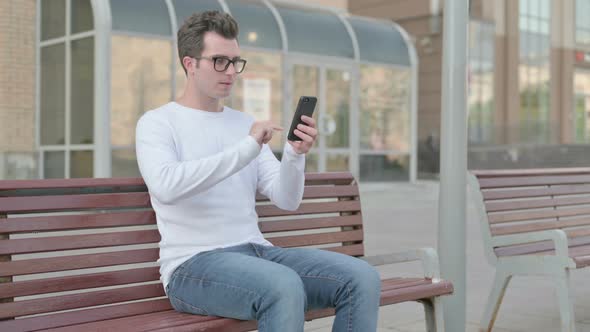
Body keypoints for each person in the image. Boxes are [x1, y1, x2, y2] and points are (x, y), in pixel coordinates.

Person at [135, 10, 380, 332]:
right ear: (190, 63)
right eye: (219, 61)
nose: (231, 72)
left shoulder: (242, 123)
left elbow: (287, 199)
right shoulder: (158, 122)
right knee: (282, 285)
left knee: (361, 277)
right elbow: (167, 186)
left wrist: (294, 155)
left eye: (236, 62)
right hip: (192, 266)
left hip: (257, 252)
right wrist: (248, 146)